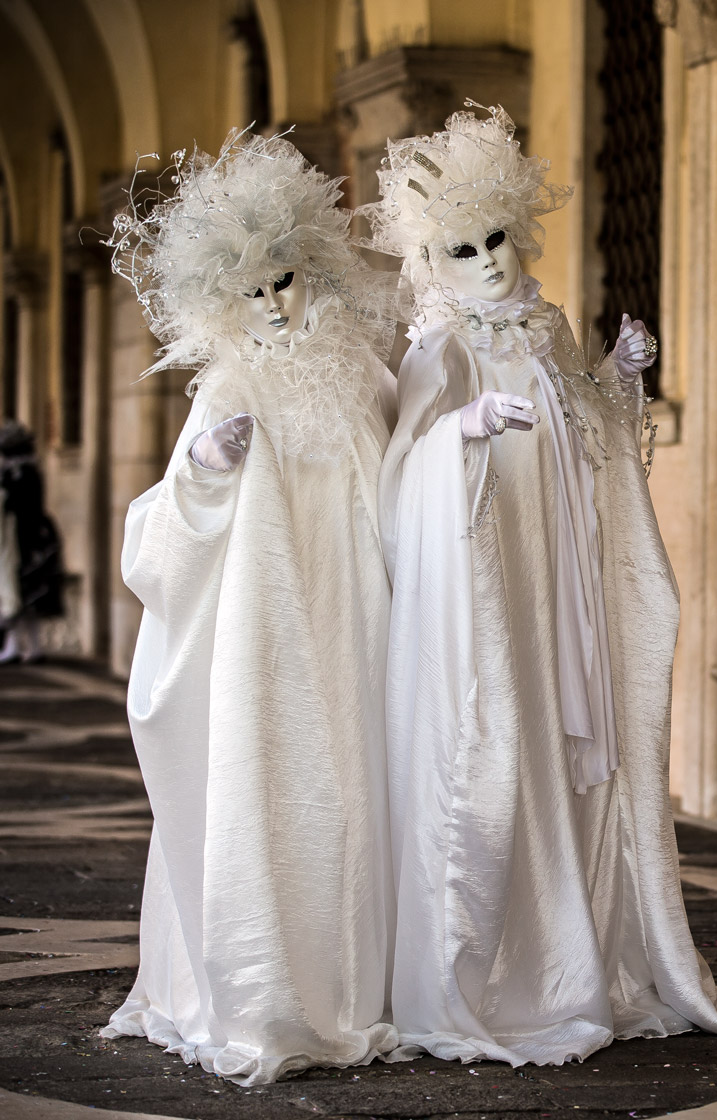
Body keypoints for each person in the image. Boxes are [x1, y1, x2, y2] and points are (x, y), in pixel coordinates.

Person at [363, 103, 717, 1067]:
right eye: (463, 251)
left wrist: (618, 374)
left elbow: (584, 429)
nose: (490, 263)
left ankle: (578, 952)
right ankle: (496, 972)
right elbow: (400, 479)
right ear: (437, 263)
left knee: (564, 751)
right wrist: (459, 436)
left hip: (562, 585)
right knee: (501, 749)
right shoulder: (440, 346)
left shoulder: (546, 324)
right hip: (489, 594)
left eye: (497, 238)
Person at [101, 133, 402, 1085]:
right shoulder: (227, 387)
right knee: (274, 793)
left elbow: (410, 476)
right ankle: (268, 983)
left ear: (316, 271)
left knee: (357, 796)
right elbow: (155, 537)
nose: (273, 303)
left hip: (356, 630)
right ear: (222, 299)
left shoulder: (365, 376)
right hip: (260, 646)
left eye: (287, 279)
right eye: (251, 290)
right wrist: (204, 468)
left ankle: (365, 980)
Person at [0, 421, 64, 662]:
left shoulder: (24, 474)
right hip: (17, 539)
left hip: (27, 540)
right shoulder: (14, 473)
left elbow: (20, 507)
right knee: (16, 595)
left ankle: (31, 647)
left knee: (27, 595)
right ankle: (16, 645)